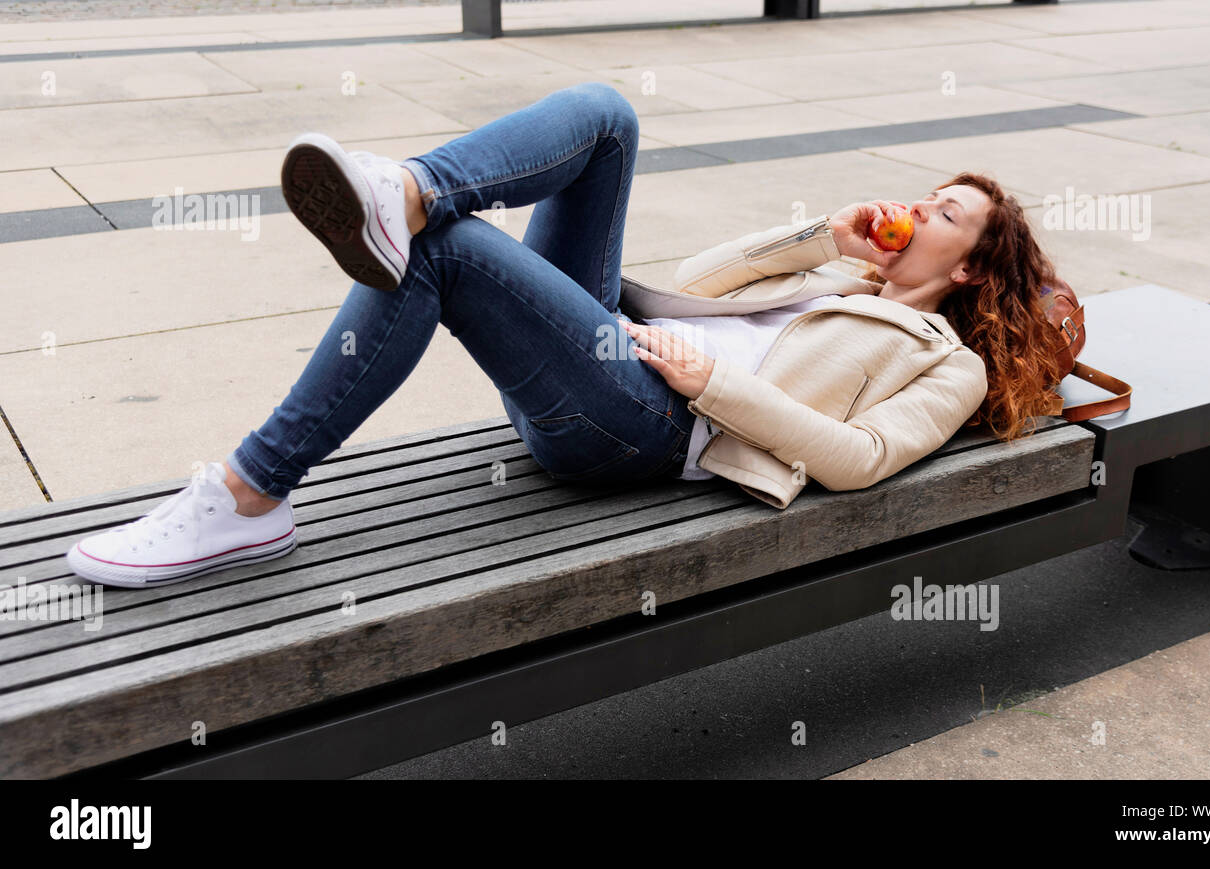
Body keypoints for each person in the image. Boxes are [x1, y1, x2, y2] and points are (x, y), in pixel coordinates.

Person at [64, 82, 1065, 590]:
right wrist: (817, 237)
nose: (914, 209)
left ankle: (247, 493)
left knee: (442, 252)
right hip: (624, 357)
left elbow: (857, 460)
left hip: (648, 430)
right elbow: (695, 287)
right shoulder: (841, 275)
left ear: (974, 265)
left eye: (941, 211)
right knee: (604, 116)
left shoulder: (950, 363)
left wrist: (712, 385)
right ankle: (405, 190)